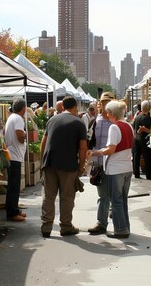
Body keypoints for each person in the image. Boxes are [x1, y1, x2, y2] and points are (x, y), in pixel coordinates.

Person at [40, 96, 87, 237]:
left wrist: (43, 160)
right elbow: (83, 148)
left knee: (48, 196)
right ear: (75, 107)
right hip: (68, 164)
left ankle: (46, 226)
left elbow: (44, 141)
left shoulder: (52, 120)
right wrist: (81, 165)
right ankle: (66, 226)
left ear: (63, 107)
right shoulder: (79, 123)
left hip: (49, 163)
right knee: (67, 197)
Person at [89, 100, 134, 238]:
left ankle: (121, 230)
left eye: (107, 112)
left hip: (116, 169)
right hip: (127, 167)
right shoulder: (128, 125)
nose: (106, 114)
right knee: (123, 199)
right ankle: (125, 226)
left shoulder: (114, 127)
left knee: (116, 200)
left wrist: (96, 152)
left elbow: (111, 149)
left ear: (111, 113)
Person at [87, 92, 114, 235]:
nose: (106, 105)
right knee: (103, 195)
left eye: (109, 102)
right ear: (100, 104)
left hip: (115, 164)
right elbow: (89, 141)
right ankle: (101, 223)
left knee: (115, 196)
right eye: (104, 103)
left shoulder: (117, 122)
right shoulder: (94, 121)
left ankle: (116, 221)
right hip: (99, 164)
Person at [4, 99, 27, 222]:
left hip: (12, 155)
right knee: (14, 186)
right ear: (23, 108)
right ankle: (12, 212)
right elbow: (19, 135)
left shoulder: (11, 117)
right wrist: (25, 136)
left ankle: (15, 209)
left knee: (14, 185)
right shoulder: (18, 118)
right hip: (14, 156)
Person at [132, 100, 151, 179]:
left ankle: (136, 173)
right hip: (144, 139)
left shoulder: (137, 116)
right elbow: (147, 129)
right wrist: (145, 129)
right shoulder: (147, 118)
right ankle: (148, 174)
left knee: (136, 156)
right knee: (147, 156)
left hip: (136, 139)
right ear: (149, 108)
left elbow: (134, 127)